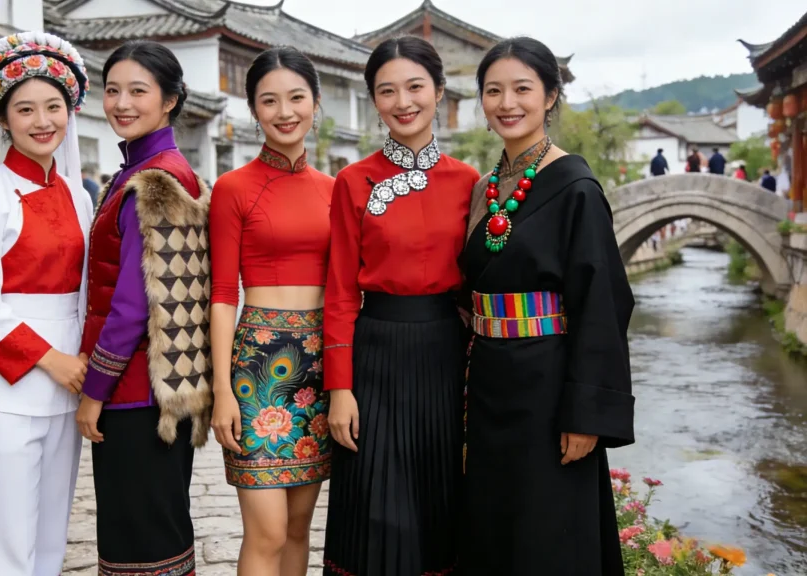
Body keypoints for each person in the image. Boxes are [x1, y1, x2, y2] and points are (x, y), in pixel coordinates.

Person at [458, 37, 635, 575]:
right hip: (487, 382)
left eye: (522, 89)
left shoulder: (576, 185)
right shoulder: (485, 188)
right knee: (492, 528)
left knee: (548, 532)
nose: (507, 103)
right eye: (494, 91)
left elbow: (602, 305)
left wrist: (585, 414)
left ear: (551, 96)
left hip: (548, 387)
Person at [322, 36, 479, 575]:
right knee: (375, 504)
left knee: (439, 501)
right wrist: (339, 388)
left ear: (439, 92)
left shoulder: (470, 182)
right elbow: (340, 290)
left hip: (445, 355)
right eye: (386, 91)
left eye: (415, 86)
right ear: (374, 100)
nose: (402, 101)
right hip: (375, 355)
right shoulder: (352, 181)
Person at [0, 32, 93, 576]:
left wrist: (82, 363)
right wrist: (51, 358)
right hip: (7, 388)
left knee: (51, 532)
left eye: (53, 107)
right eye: (26, 109)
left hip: (69, 386)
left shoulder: (79, 194)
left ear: (69, 111)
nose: (43, 121)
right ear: (3, 118)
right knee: (7, 538)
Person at [73, 40, 212, 576]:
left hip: (137, 395)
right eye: (111, 90)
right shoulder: (147, 169)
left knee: (143, 542)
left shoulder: (154, 180)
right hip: (156, 391)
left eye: (138, 91)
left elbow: (133, 307)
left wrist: (93, 393)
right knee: (152, 535)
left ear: (171, 100)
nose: (121, 103)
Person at [209, 46, 333, 576]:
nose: (285, 111)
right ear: (253, 109)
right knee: (268, 531)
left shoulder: (336, 189)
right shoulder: (233, 188)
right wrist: (222, 389)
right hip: (257, 366)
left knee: (301, 529)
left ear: (315, 102)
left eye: (296, 98)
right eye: (269, 100)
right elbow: (221, 294)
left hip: (320, 362)